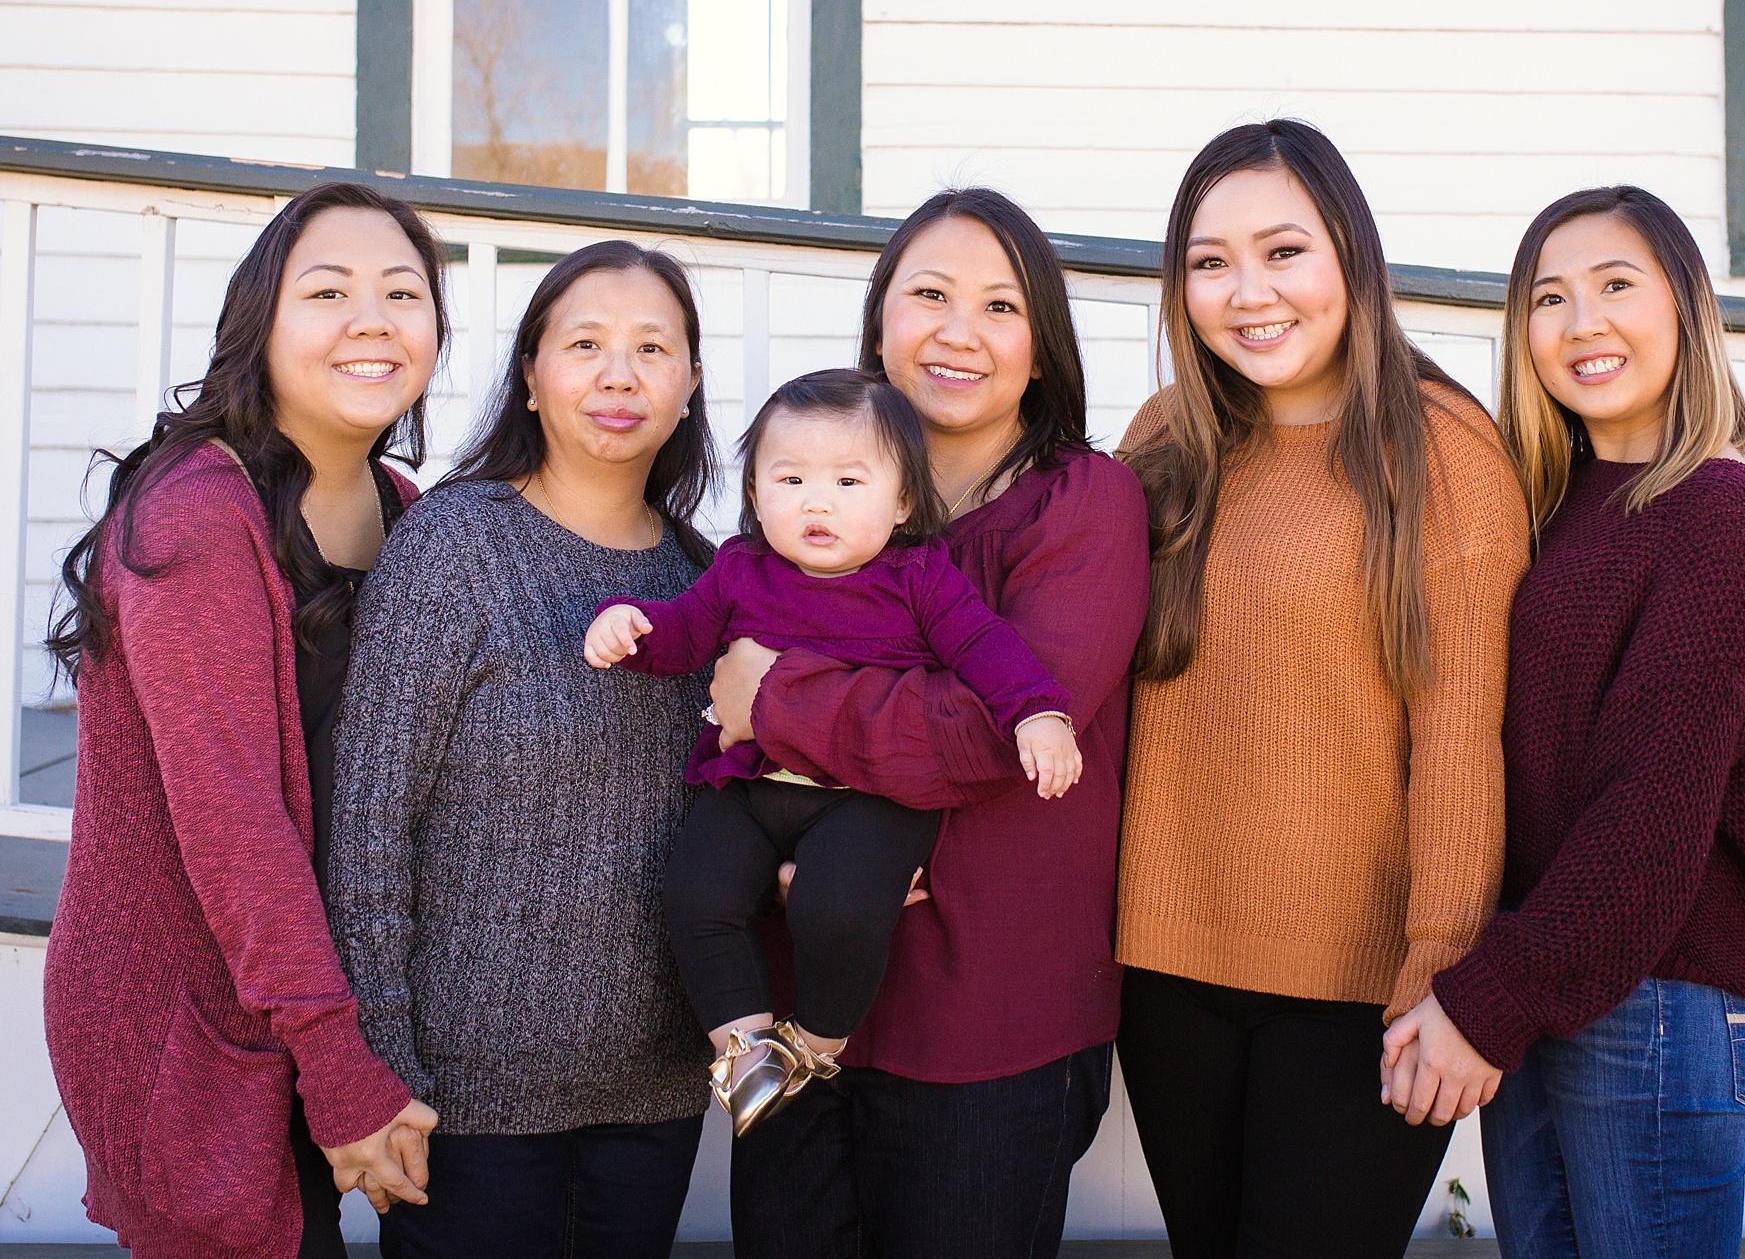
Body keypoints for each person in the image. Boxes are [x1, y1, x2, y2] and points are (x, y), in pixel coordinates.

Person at [1381, 185, 1745, 1259]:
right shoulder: (1552, 506)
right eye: (1547, 297)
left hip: (1660, 1001)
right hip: (1552, 973)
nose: (1580, 321)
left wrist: (1484, 995)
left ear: (1683, 307)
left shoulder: (1721, 513)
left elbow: (1653, 805)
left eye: (1614, 285)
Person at [1115, 119, 1531, 1258]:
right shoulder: (1162, 442)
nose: (1245, 291)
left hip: (1363, 989)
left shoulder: (1440, 449)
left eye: (1281, 251)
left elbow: (1460, 735)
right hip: (1161, 965)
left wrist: (1444, 972)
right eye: (1208, 261)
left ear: (1350, 254)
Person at [707, 190, 1150, 1258]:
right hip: (803, 1006)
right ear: (879, 322)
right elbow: (717, 726)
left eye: (1000, 307)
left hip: (991, 1024)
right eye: (929, 295)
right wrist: (764, 847)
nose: (958, 330)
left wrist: (775, 698)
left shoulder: (1084, 503)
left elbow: (991, 731)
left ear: (1040, 350)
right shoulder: (808, 502)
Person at [43, 182, 446, 1258]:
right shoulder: (196, 512)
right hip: (189, 1019)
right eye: (328, 291)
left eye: (403, 292)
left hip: (319, 1000)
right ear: (258, 326)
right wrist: (340, 1063)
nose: (372, 318)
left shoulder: (410, 511)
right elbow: (233, 823)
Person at [327, 240, 719, 1259]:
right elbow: (369, 827)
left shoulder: (708, 581)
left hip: (656, 1089)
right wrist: (379, 1065)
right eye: (584, 343)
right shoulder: (454, 546)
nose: (619, 375)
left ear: (688, 385)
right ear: (533, 377)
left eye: (651, 348)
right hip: (464, 1106)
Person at [588, 368, 1083, 1136]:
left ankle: (817, 1041)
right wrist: (630, 626)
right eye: (790, 478)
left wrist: (1037, 714)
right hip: (749, 786)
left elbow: (987, 650)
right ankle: (745, 1050)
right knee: (696, 893)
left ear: (903, 502)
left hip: (869, 800)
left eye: (850, 480)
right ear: (754, 495)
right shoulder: (739, 570)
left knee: (839, 905)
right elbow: (684, 636)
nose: (817, 502)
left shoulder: (919, 578)